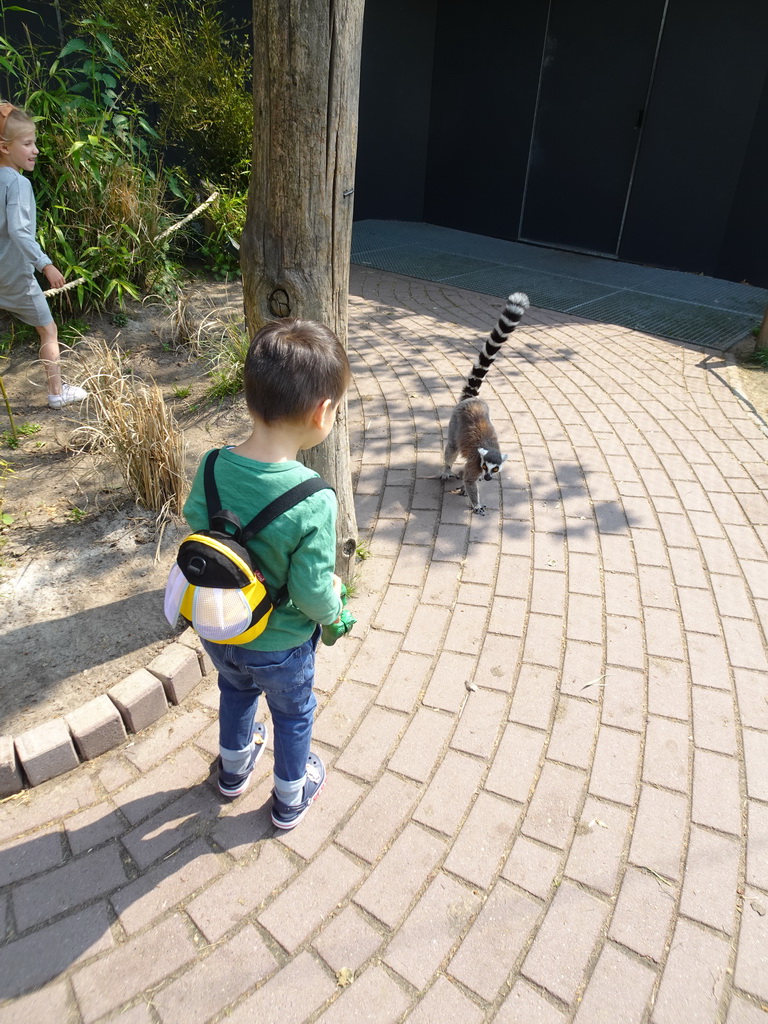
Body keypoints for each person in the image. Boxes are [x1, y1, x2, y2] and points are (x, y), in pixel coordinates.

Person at [183, 317, 349, 830]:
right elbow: (312, 590)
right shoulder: (313, 498)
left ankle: (232, 772)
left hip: (220, 628)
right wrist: (337, 613)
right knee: (293, 714)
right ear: (322, 413)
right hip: (280, 643)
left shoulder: (212, 465)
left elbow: (196, 523)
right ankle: (289, 798)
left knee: (234, 693)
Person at [0, 101, 87, 409]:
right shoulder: (18, 184)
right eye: (27, 143)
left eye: (34, 142)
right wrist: (46, 265)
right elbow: (20, 232)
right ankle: (56, 392)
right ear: (4, 147)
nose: (35, 150)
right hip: (14, 277)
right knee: (48, 330)